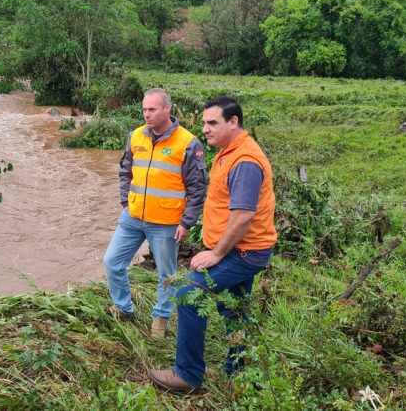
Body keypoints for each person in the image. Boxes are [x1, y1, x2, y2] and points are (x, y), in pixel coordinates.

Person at [148, 96, 277, 391]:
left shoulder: (245, 161)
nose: (204, 129)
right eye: (204, 123)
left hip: (243, 252)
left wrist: (216, 253)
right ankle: (239, 371)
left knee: (188, 294)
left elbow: (243, 216)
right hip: (241, 248)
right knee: (234, 308)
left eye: (212, 123)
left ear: (233, 122)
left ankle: (188, 375)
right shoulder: (230, 151)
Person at [103, 88, 206, 338]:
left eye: (152, 109)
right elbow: (125, 172)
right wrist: (125, 202)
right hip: (133, 216)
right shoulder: (136, 136)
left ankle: (161, 318)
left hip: (166, 222)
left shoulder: (188, 143)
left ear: (167, 109)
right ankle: (123, 308)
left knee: (166, 274)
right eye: (144, 110)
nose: (146, 114)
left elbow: (197, 188)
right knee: (112, 262)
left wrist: (186, 222)